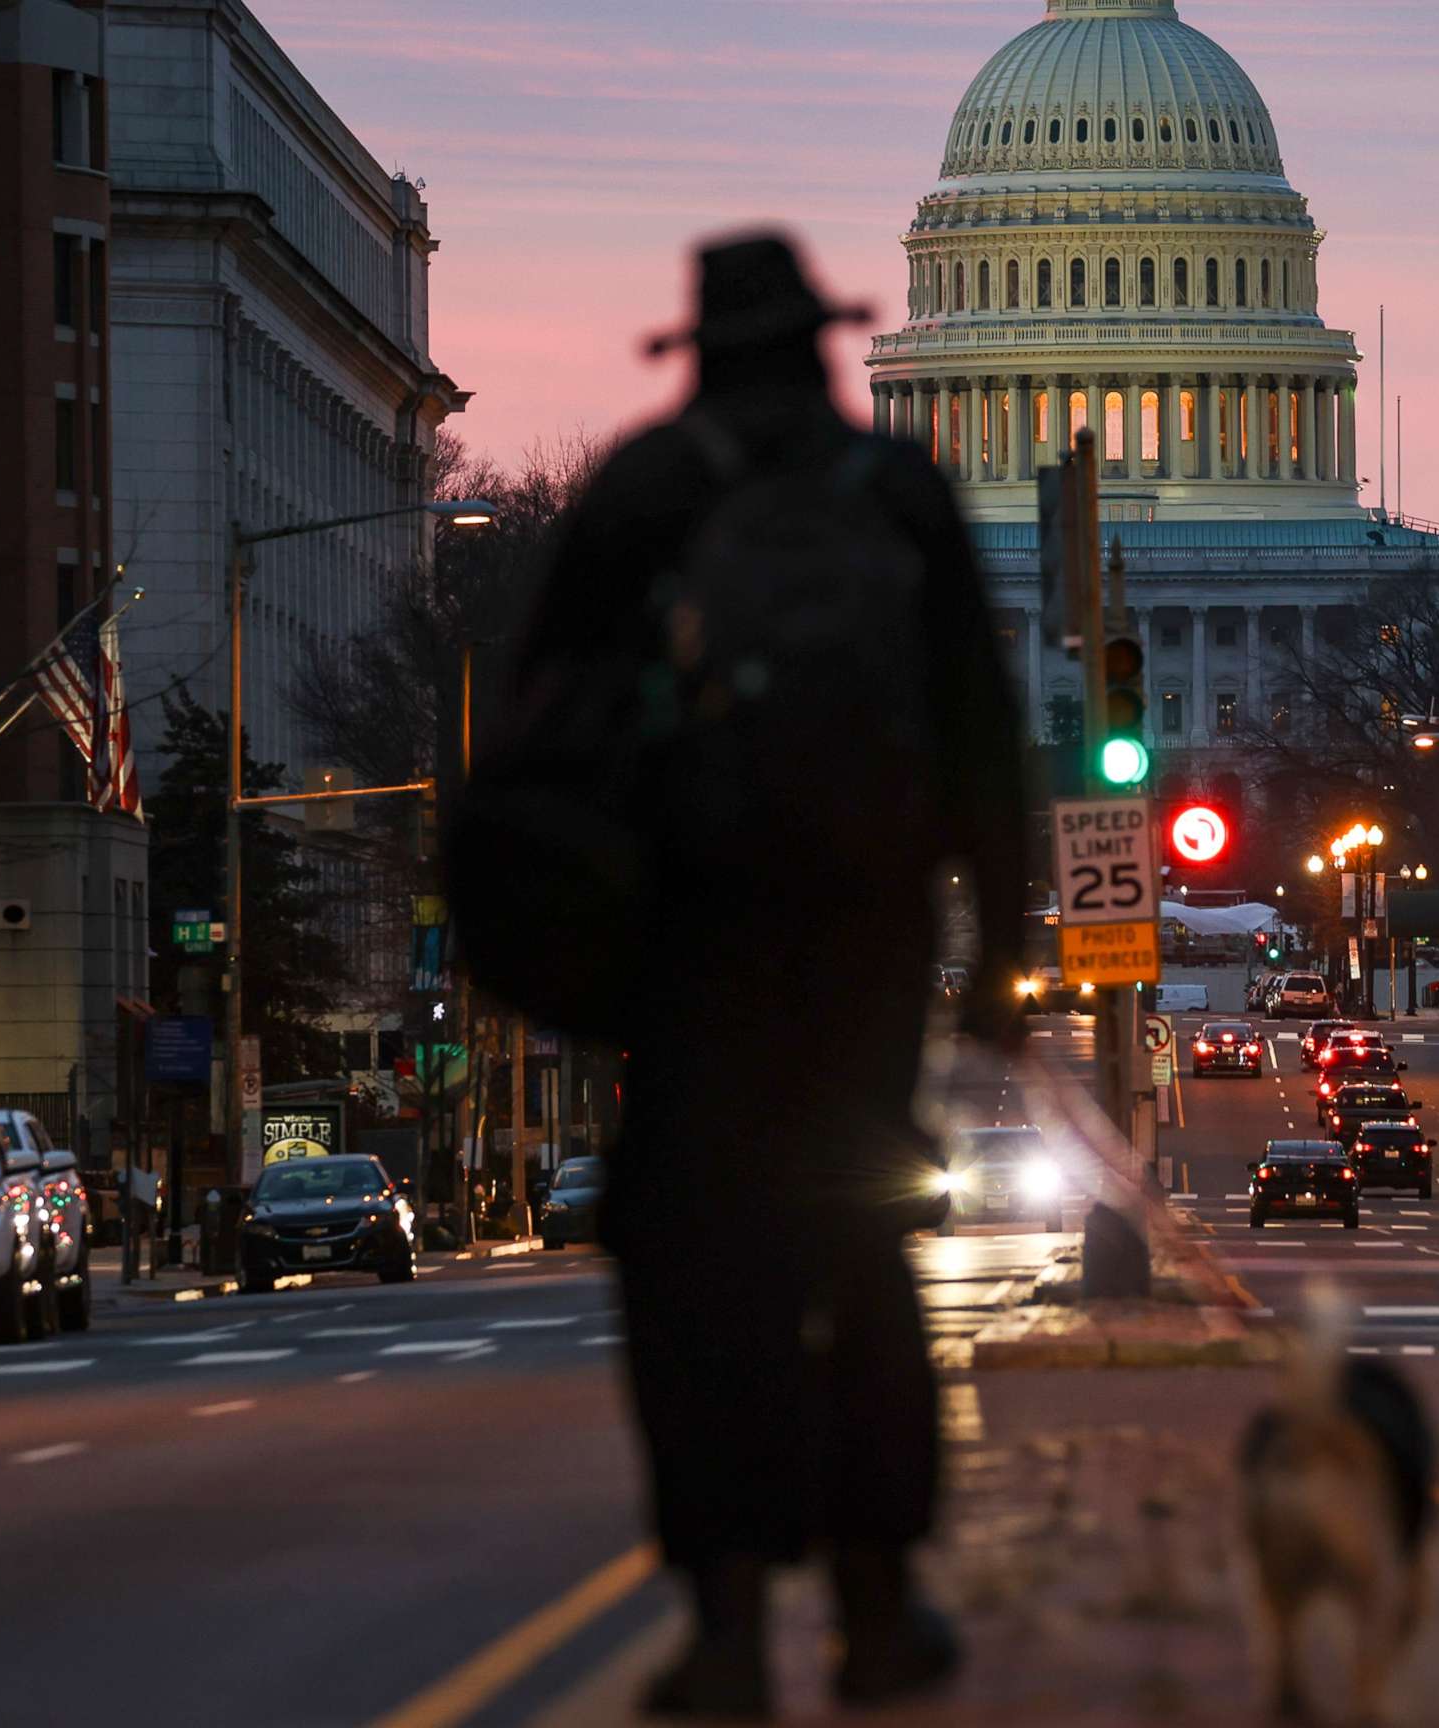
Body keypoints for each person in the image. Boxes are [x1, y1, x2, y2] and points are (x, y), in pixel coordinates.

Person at [507, 232, 1026, 1717]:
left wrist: (560, 947)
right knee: (862, 1259)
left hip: (690, 950)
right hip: (865, 945)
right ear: (824, 347)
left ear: (703, 356)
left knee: (696, 1280)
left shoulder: (645, 492)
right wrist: (993, 958)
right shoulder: (905, 497)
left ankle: (727, 1617)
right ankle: (878, 1600)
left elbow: (543, 735)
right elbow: (986, 742)